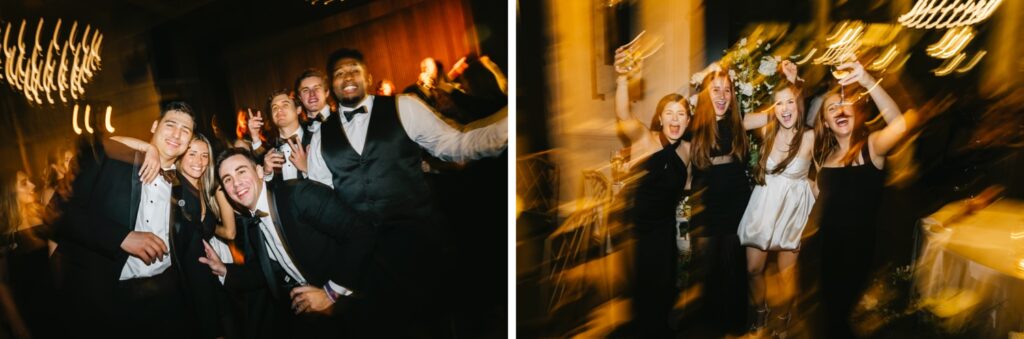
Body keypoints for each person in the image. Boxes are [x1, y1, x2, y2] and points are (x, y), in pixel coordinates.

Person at [304, 47, 507, 335]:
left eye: (354, 70)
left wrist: (506, 129)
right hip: (371, 265)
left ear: (368, 77)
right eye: (339, 73)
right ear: (331, 85)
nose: (347, 76)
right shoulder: (322, 135)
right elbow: (325, 204)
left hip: (422, 248)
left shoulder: (405, 106)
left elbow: (456, 145)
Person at [56, 101, 220, 338]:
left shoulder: (187, 194)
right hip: (108, 302)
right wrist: (121, 237)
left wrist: (212, 328)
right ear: (154, 126)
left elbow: (194, 265)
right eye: (170, 125)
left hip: (167, 303)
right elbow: (61, 211)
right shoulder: (111, 162)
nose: (177, 134)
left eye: (185, 131)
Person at [197, 148, 375, 338]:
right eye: (227, 179)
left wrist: (330, 292)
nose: (236, 183)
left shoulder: (298, 195)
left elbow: (361, 233)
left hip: (359, 301)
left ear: (259, 172)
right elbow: (267, 269)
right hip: (316, 314)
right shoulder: (254, 223)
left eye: (241, 171)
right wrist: (224, 270)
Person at [808, 59, 905, 338]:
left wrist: (866, 81)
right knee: (830, 320)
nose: (839, 109)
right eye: (832, 108)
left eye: (844, 104)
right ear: (825, 122)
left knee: (845, 319)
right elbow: (817, 204)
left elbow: (898, 125)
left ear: (855, 111)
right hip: (828, 253)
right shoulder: (824, 159)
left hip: (861, 253)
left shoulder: (871, 147)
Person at [612, 46, 692, 337]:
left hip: (665, 231)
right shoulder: (644, 138)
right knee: (642, 293)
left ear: (687, 120)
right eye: (669, 113)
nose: (675, 118)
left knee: (665, 290)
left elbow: (685, 194)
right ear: (660, 118)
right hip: (638, 231)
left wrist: (685, 237)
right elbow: (623, 114)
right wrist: (622, 79)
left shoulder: (687, 151)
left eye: (681, 113)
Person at [737, 78, 815, 335]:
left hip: (792, 212)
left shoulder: (809, 136)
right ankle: (761, 312)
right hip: (763, 206)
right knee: (753, 269)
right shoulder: (767, 130)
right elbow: (742, 121)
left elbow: (826, 173)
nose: (785, 108)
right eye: (779, 103)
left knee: (786, 273)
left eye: (790, 102)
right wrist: (777, 108)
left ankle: (783, 318)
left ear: (800, 105)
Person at [0, 170, 58, 338]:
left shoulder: (41, 216)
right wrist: (17, 322)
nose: (32, 185)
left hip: (56, 299)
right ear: (9, 191)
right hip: (29, 306)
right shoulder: (4, 232)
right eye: (24, 183)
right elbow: (1, 282)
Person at [248, 90, 312, 185]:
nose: (278, 110)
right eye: (274, 108)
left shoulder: (315, 138)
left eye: (285, 105)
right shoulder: (272, 148)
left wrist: (307, 169)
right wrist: (267, 173)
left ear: (298, 109)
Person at [295, 69, 335, 134]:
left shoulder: (343, 120)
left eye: (317, 88)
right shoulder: (300, 132)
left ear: (327, 92)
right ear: (300, 98)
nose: (312, 94)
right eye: (306, 90)